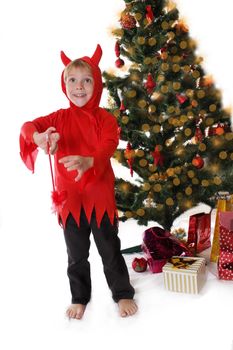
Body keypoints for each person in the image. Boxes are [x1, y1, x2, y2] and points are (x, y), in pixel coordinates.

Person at [19, 45, 138, 319]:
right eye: (72, 80)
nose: (79, 87)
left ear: (96, 84)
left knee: (110, 250)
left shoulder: (105, 119)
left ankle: (122, 293)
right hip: (70, 200)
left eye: (86, 80)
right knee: (76, 255)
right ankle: (80, 296)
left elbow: (109, 145)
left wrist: (89, 161)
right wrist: (38, 138)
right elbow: (28, 126)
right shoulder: (59, 118)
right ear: (64, 85)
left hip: (99, 197)